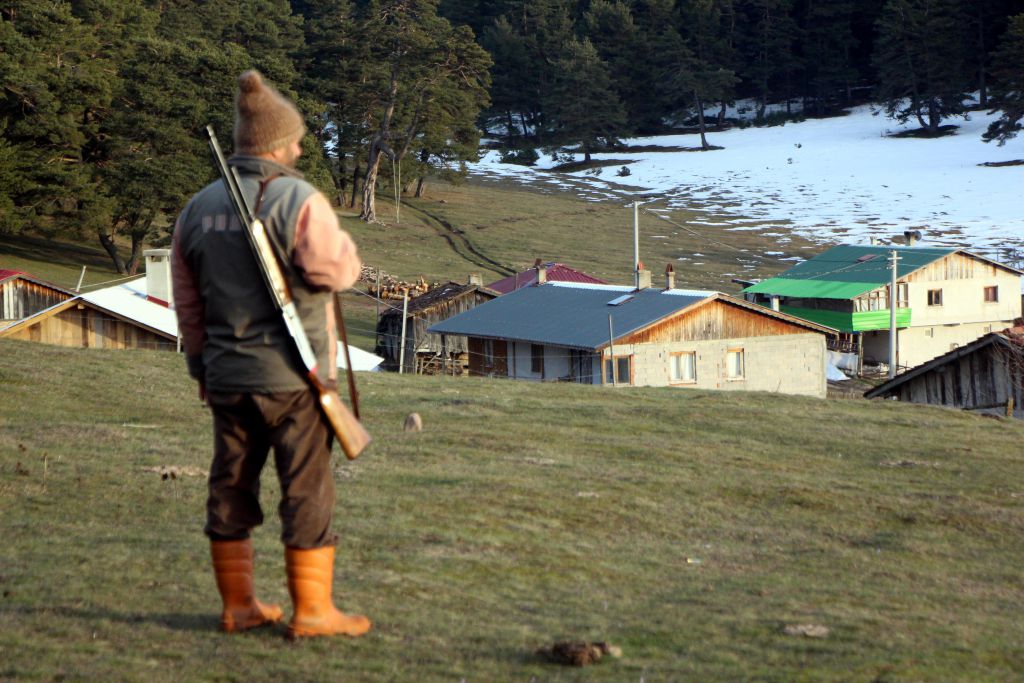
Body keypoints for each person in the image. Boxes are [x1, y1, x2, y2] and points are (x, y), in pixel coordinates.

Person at [171, 70, 369, 639]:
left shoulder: (195, 208)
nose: (302, 148)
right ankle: (313, 611)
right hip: (294, 380)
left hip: (227, 376)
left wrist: (201, 369)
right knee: (306, 488)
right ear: (277, 144)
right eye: (296, 139)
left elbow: (188, 307)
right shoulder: (299, 199)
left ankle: (239, 606)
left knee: (230, 486)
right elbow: (338, 271)